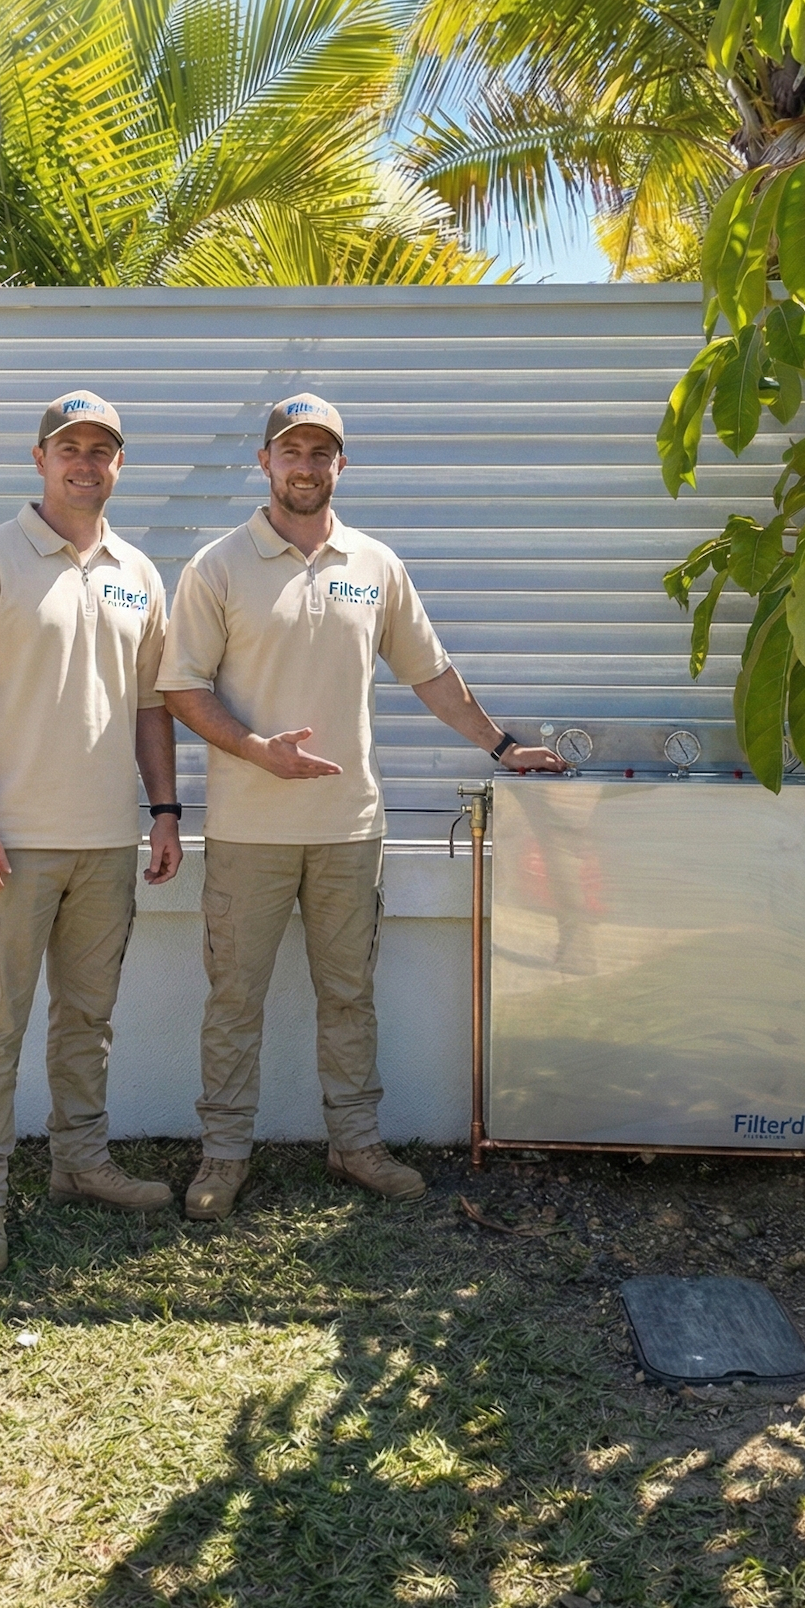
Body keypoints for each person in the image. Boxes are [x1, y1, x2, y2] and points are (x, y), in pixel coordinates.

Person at [158, 389, 564, 1219]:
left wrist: (500, 745)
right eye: (290, 451)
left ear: (341, 464)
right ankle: (223, 1156)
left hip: (349, 831)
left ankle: (355, 1145)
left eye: (320, 453)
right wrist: (252, 749)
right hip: (247, 833)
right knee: (234, 1000)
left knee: (348, 995)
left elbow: (430, 675)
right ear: (264, 461)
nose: (304, 467)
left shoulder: (375, 564)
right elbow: (179, 687)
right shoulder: (216, 566)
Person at [0, 392, 184, 1275]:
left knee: (87, 1022)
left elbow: (150, 707)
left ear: (118, 465)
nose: (85, 463)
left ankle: (81, 1164)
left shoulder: (138, 572)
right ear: (38, 458)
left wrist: (164, 810)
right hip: (11, 847)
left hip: (104, 845)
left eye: (101, 450)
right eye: (69, 447)